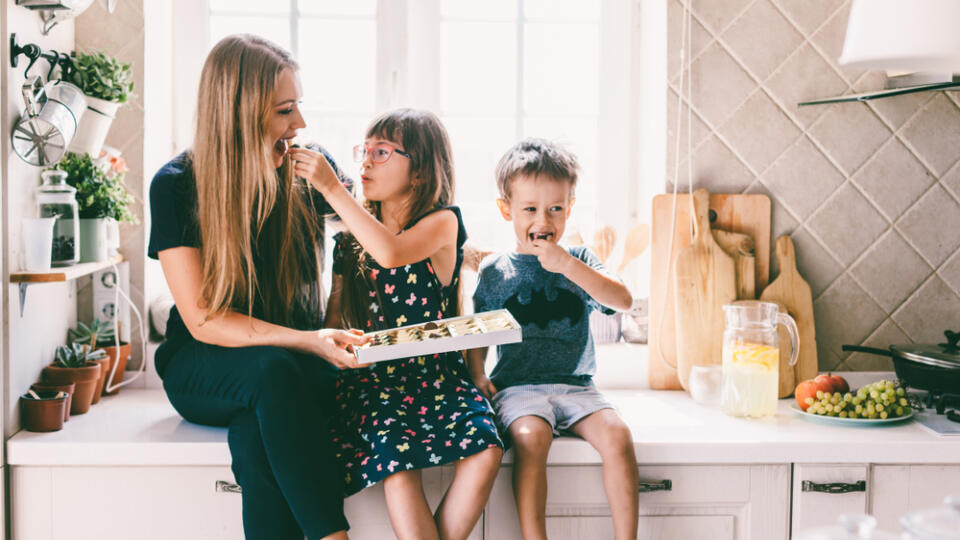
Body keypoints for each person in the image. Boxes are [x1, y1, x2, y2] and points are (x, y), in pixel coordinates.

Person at [148, 34, 366, 540]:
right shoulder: (178, 184)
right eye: (285, 110)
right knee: (271, 372)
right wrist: (309, 338)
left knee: (255, 432)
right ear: (239, 113)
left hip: (284, 372)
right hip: (203, 365)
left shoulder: (307, 169)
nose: (301, 125)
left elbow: (381, 231)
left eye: (299, 107)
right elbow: (203, 319)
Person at [290, 108, 504, 540]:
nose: (366, 161)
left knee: (487, 450)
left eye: (382, 152)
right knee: (397, 463)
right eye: (364, 151)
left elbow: (390, 252)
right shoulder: (348, 243)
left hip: (438, 378)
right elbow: (336, 321)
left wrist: (331, 186)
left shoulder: (443, 223)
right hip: (375, 384)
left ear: (421, 172)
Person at [467, 138, 640, 540]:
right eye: (530, 209)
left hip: (577, 385)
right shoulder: (495, 270)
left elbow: (623, 300)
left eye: (555, 209)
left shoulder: (581, 260)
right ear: (505, 209)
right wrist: (477, 374)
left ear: (570, 207)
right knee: (531, 438)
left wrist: (568, 266)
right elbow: (477, 330)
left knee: (618, 435)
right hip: (519, 387)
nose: (543, 221)